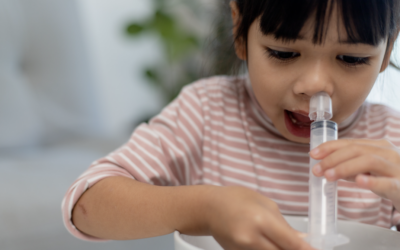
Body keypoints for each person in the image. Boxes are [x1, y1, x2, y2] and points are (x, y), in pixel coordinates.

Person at [62, 0, 400, 249]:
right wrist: (205, 208)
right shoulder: (207, 113)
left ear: (387, 51)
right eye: (283, 53)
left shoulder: (391, 142)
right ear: (240, 30)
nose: (314, 85)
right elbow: (85, 205)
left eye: (353, 59)